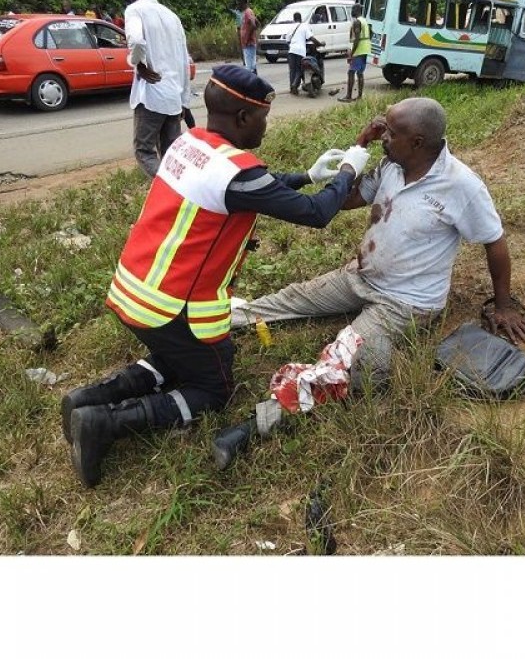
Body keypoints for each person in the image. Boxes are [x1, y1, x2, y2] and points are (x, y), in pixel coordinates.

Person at [62, 65, 372, 488]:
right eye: (263, 117)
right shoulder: (236, 172)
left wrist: (305, 176)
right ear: (244, 118)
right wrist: (348, 172)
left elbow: (254, 187)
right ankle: (105, 423)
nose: (265, 127)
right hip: (172, 307)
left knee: (178, 358)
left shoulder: (188, 143)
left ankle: (90, 397)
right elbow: (317, 214)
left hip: (134, 291)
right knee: (214, 387)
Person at [233, 97, 525, 394]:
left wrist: (503, 305)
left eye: (390, 132)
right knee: (293, 299)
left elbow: (494, 241)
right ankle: (219, 319)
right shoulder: (392, 166)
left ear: (417, 142)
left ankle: (279, 409)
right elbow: (347, 201)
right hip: (363, 275)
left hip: (407, 301)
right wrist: (359, 146)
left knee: (351, 352)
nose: (383, 137)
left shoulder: (462, 185)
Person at [123, 0, 195, 177]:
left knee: (144, 151)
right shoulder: (171, 16)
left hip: (151, 95)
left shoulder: (134, 10)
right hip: (173, 96)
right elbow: (184, 61)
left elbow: (137, 41)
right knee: (171, 156)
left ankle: (167, 190)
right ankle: (180, 194)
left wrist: (138, 63)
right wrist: (184, 101)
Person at [337, 3, 372, 102]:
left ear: (357, 10)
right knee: (360, 73)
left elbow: (356, 39)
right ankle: (360, 96)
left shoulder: (357, 22)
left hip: (359, 49)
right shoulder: (364, 20)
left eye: (353, 9)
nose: (351, 11)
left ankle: (348, 96)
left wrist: (351, 54)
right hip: (365, 48)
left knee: (351, 72)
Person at [287, 11, 322, 96]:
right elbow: (311, 38)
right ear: (301, 18)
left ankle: (292, 88)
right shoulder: (304, 26)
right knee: (299, 70)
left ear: (294, 19)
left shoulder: (291, 27)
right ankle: (295, 85)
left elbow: (287, 40)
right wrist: (320, 44)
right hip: (300, 51)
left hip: (291, 51)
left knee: (292, 70)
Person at [237, 0, 259, 75]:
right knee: (252, 66)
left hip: (248, 43)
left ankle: (252, 84)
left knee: (249, 68)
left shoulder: (247, 12)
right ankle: (256, 84)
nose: (238, 5)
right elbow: (257, 22)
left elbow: (253, 25)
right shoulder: (248, 12)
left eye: (239, 3)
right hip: (248, 43)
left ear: (243, 3)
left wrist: (247, 38)